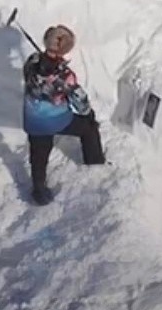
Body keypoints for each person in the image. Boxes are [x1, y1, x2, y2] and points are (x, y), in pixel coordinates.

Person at [22, 24, 105, 205]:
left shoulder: (31, 62)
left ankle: (39, 190)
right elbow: (81, 105)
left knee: (39, 154)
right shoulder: (65, 76)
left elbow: (35, 75)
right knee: (89, 127)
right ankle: (95, 163)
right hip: (58, 121)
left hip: (33, 122)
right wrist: (88, 113)